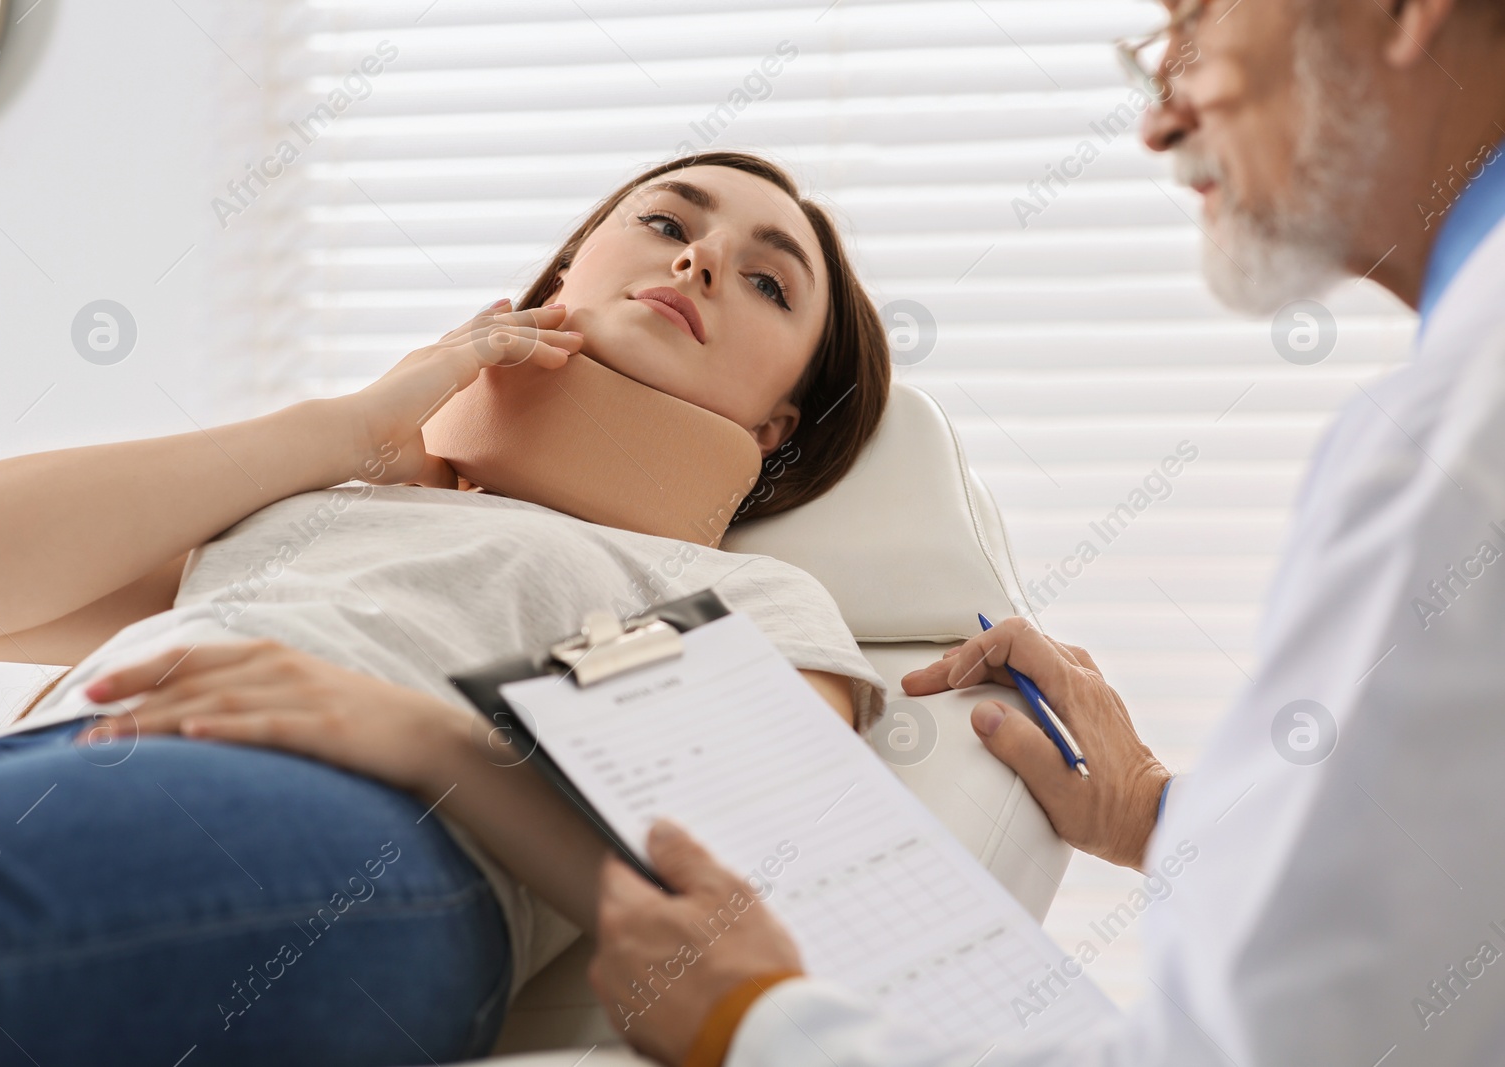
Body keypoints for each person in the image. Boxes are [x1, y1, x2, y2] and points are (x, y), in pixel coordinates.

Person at [580, 0, 1505, 1065]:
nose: (1159, 120)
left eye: (1193, 20)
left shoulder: (1453, 449)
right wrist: (1162, 815)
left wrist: (761, 1022)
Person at [0, 152, 893, 1065]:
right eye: (667, 219)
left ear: (771, 427)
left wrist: (419, 734)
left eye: (769, 280)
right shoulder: (327, 502)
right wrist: (346, 434)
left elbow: (737, 878)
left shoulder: (745, 597)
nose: (703, 256)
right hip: (59, 760)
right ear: (555, 288)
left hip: (367, 836)